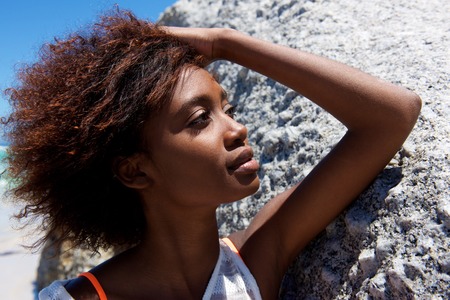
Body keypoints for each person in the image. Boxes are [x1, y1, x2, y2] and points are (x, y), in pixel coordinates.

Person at [3, 10, 421, 300]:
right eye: (201, 118)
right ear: (135, 170)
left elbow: (392, 116)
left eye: (230, 109)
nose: (237, 129)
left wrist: (225, 42)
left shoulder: (253, 261)